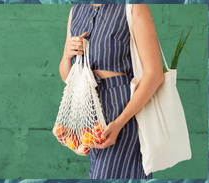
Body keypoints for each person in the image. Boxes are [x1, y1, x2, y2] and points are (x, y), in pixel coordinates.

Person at [59, 4, 164, 179]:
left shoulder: (133, 8)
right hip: (89, 112)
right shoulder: (76, 11)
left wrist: (119, 123)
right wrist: (66, 55)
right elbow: (67, 77)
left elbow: (155, 75)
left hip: (123, 110)